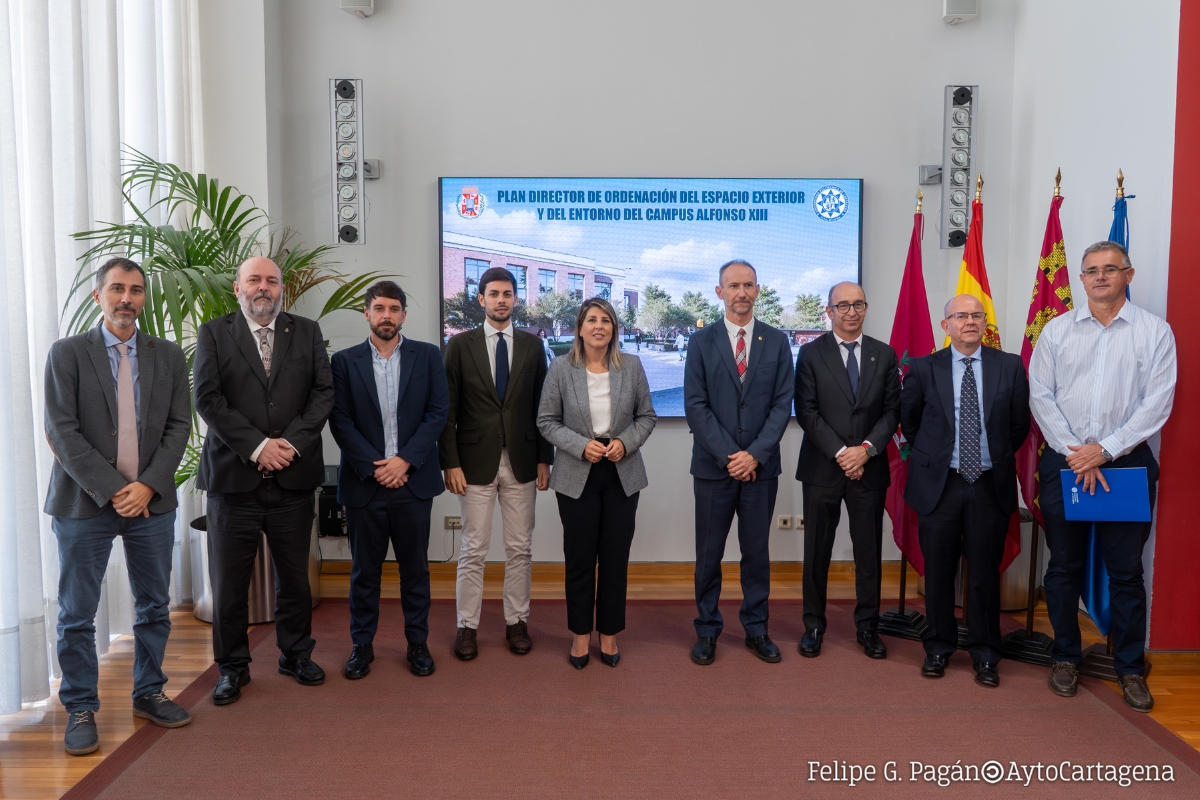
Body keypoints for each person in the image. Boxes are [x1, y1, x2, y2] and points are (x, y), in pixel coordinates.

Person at [44, 257, 193, 755]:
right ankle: (81, 706)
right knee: (77, 613)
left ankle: (149, 692)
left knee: (154, 604)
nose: (126, 298)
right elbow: (61, 431)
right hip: (84, 504)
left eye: (135, 290)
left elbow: (178, 427)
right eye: (116, 289)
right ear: (98, 296)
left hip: (152, 503)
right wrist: (114, 489)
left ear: (143, 298)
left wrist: (147, 486)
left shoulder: (167, 356)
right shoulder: (66, 354)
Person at [1029, 241, 1175, 712]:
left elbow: (1158, 403)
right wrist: (1078, 455)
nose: (1099, 277)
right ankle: (1066, 657)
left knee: (1126, 574)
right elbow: (1041, 396)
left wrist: (1104, 451)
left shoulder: (1155, 333)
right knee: (1062, 569)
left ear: (1128, 275)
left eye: (1109, 269)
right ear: (1082, 278)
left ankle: (1130, 668)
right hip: (1065, 462)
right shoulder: (1056, 331)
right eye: (1091, 270)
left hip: (1126, 465)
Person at [193, 256, 335, 705]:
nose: (263, 287)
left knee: (295, 579)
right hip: (234, 481)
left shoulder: (306, 331)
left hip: (293, 476)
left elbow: (323, 393)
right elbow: (208, 399)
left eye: (271, 281)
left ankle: (295, 654)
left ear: (281, 290)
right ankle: (232, 668)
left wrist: (288, 445)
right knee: (230, 584)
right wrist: (258, 446)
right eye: (254, 279)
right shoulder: (215, 333)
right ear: (238, 288)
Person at [900, 294, 1030, 687]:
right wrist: (940, 456)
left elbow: (1018, 425)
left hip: (989, 484)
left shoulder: (1008, 366)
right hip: (940, 484)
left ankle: (986, 653)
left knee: (984, 575)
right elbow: (910, 423)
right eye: (960, 316)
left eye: (976, 315)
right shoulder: (924, 368)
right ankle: (938, 647)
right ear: (947, 326)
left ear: (984, 322)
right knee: (938, 573)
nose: (969, 321)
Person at [328, 281, 449, 680]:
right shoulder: (343, 362)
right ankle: (362, 645)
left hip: (413, 483)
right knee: (365, 571)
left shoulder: (428, 356)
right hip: (366, 483)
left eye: (394, 309)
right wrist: (378, 466)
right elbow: (339, 420)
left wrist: (405, 462)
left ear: (403, 315)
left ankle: (418, 643)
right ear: (367, 313)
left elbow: (437, 413)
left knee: (416, 569)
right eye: (379, 308)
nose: (386, 315)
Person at [684, 260, 795, 665]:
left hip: (761, 469)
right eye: (733, 286)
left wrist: (755, 455)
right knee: (709, 555)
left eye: (748, 285)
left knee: (756, 553)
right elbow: (695, 407)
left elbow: (783, 405)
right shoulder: (701, 342)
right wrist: (733, 457)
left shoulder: (777, 341)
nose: (741, 292)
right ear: (720, 292)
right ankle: (708, 630)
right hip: (714, 469)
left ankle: (756, 629)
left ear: (758, 289)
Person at [537, 298, 657, 669]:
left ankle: (608, 635)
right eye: (592, 319)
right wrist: (578, 446)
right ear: (580, 327)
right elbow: (546, 421)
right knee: (579, 559)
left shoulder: (632, 367)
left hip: (622, 472)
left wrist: (624, 443)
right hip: (577, 474)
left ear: (614, 328)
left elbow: (646, 417)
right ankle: (579, 635)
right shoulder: (560, 368)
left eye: (606, 320)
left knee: (615, 560)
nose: (599, 326)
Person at [439, 267, 552, 660]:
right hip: (472, 463)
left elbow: (544, 409)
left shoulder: (533, 347)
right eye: (494, 294)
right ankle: (466, 627)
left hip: (522, 461)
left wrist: (544, 458)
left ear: (515, 299)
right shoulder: (459, 345)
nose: (501, 300)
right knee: (473, 548)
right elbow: (447, 410)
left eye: (507, 294)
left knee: (520, 548)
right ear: (481, 299)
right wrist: (449, 462)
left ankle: (516, 622)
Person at [794, 281, 900, 659]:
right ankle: (813, 626)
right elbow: (806, 411)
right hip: (823, 468)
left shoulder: (884, 355)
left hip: (869, 471)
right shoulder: (809, 354)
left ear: (866, 309)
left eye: (858, 305)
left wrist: (866, 451)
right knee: (816, 552)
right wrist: (843, 453)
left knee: (868, 553)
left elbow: (892, 412)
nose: (851, 312)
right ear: (829, 311)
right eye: (843, 306)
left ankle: (868, 628)